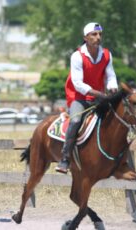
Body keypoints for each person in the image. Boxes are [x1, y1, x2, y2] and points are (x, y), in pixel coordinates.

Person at [55, 22, 119, 174]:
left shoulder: (107, 54)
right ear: (85, 37)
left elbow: (111, 76)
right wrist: (99, 94)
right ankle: (64, 159)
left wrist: (113, 87)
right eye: (94, 34)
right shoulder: (77, 56)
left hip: (99, 97)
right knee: (76, 120)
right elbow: (77, 84)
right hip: (79, 98)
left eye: (100, 34)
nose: (98, 37)